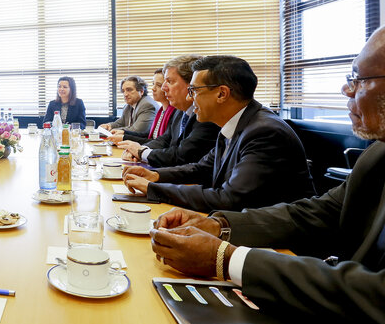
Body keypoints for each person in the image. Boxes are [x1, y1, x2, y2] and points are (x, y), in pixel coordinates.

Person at [149, 14, 385, 324]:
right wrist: (219, 226)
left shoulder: (264, 130)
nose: (346, 89)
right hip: (341, 305)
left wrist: (228, 258)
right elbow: (319, 211)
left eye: (360, 79)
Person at [123, 56, 315, 212]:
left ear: (222, 94)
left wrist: (154, 188)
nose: (191, 96)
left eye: (195, 90)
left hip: (280, 247)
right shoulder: (236, 123)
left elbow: (228, 199)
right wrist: (154, 175)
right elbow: (201, 168)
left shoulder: (264, 132)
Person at [114, 56, 219, 167]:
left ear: (191, 84)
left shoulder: (206, 115)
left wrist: (141, 152)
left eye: (169, 81)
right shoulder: (180, 111)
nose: (164, 88)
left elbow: (183, 156)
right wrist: (140, 150)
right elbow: (164, 139)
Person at [109, 69, 175, 144]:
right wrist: (110, 126)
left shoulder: (148, 105)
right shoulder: (162, 110)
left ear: (141, 91)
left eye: (129, 90)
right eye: (123, 91)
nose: (125, 94)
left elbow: (139, 131)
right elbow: (121, 122)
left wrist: (124, 136)